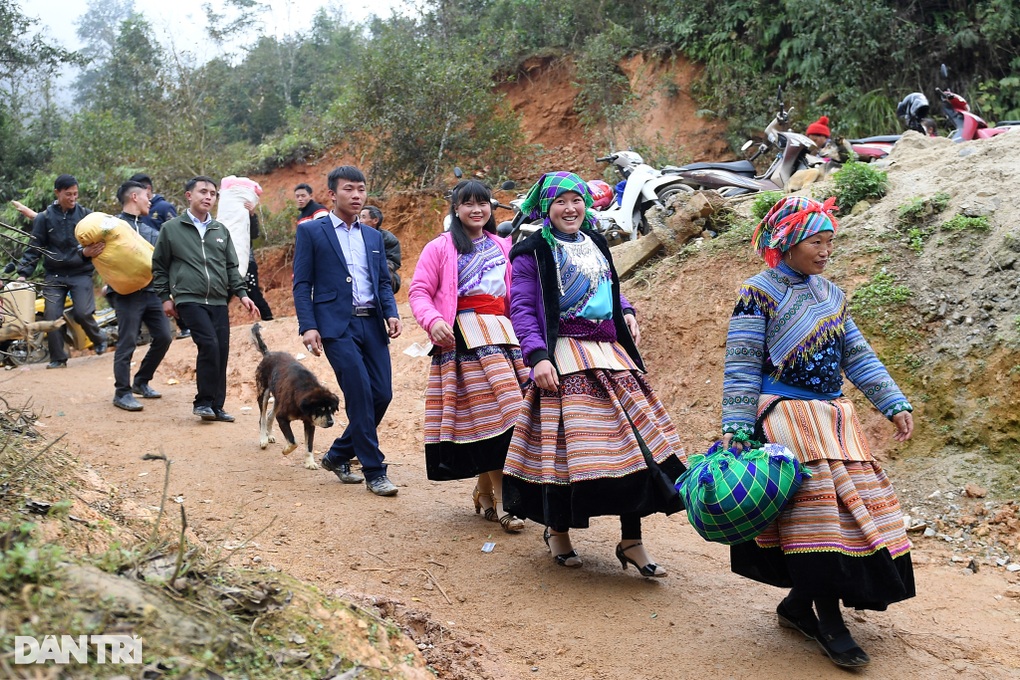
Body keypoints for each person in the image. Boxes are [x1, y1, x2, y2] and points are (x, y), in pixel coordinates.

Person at [721, 195, 915, 669]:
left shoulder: (831, 294)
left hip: (833, 416)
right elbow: (742, 364)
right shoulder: (758, 291)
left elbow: (858, 355)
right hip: (786, 415)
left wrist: (892, 401)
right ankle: (828, 619)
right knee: (819, 518)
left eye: (830, 241)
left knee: (851, 512)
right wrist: (737, 425)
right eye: (816, 241)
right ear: (787, 242)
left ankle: (798, 606)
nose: (825, 250)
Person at [503, 171, 687, 573]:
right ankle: (559, 531)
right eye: (560, 202)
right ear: (546, 208)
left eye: (577, 201)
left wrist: (626, 311)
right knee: (568, 453)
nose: (570, 209)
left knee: (636, 448)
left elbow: (611, 287)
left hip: (610, 353)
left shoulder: (596, 241)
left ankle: (632, 539)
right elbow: (521, 308)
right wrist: (537, 357)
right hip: (564, 355)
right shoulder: (530, 251)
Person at [408, 180, 528, 531]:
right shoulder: (441, 247)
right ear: (456, 209)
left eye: (483, 203)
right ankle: (506, 503)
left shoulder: (503, 245)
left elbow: (517, 293)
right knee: (495, 416)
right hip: (464, 337)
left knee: (506, 417)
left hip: (504, 335)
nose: (477, 209)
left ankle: (484, 490)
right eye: (468, 203)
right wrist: (433, 322)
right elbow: (419, 292)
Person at [293, 166, 402, 497]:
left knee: (382, 394)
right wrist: (308, 325)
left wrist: (392, 312)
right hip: (336, 326)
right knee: (359, 394)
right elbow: (302, 283)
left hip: (372, 322)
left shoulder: (373, 236)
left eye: (361, 189)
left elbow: (382, 281)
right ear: (332, 194)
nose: (356, 195)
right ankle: (374, 470)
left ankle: (338, 454)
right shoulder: (312, 232)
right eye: (349, 189)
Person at [151, 176, 260, 422]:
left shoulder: (220, 230)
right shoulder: (171, 229)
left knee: (221, 349)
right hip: (189, 298)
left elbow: (232, 266)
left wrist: (242, 294)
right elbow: (159, 266)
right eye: (203, 192)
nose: (209, 197)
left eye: (212, 193)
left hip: (219, 300)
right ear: (189, 196)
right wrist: (164, 297)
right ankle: (202, 402)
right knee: (209, 344)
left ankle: (216, 406)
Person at [16, 174, 108, 369]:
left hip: (81, 272)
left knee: (83, 312)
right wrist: (23, 273)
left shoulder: (86, 215)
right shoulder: (44, 218)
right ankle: (58, 357)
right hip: (54, 275)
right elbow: (35, 248)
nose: (73, 198)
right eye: (68, 194)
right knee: (52, 316)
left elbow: (101, 240)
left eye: (75, 194)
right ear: (57, 193)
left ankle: (99, 339)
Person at [108, 181, 173, 411]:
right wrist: (86, 252)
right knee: (127, 342)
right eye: (147, 196)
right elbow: (83, 248)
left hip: (152, 292)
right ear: (134, 197)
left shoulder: (149, 231)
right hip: (126, 295)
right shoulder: (112, 226)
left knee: (164, 336)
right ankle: (121, 392)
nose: (150, 200)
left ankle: (141, 381)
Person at [129, 173, 190, 338]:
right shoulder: (136, 212)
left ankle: (185, 326)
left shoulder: (163, 207)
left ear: (147, 189)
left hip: (166, 255)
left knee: (173, 291)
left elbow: (176, 231)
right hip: (145, 259)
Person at [359, 206, 402, 293]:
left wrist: (373, 266)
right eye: (359, 217)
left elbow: (393, 261)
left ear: (375, 220)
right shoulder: (355, 236)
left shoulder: (388, 239)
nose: (360, 221)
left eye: (363, 217)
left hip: (380, 274)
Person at [244, 200, 274, 321]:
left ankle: (268, 318)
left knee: (253, 292)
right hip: (227, 265)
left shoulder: (245, 217)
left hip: (247, 262)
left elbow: (255, 234)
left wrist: (251, 214)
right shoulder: (225, 219)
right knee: (224, 295)